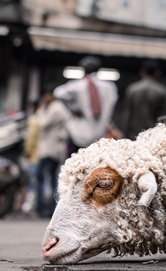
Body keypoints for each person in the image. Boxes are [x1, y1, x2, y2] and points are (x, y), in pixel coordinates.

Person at [54, 56, 118, 157]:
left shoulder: (78, 85)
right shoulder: (110, 87)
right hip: (100, 135)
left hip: (79, 136)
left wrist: (73, 108)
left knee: (74, 166)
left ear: (83, 70)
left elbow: (58, 93)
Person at [35, 85, 71, 218]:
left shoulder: (56, 108)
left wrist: (40, 110)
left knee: (42, 179)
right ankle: (48, 209)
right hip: (53, 149)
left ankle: (43, 209)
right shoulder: (58, 108)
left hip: (50, 150)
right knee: (51, 180)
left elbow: (42, 123)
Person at [124, 60, 166, 139]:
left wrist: (125, 134)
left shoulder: (132, 90)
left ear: (142, 72)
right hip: (153, 136)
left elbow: (127, 115)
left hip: (134, 134)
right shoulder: (162, 91)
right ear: (157, 73)